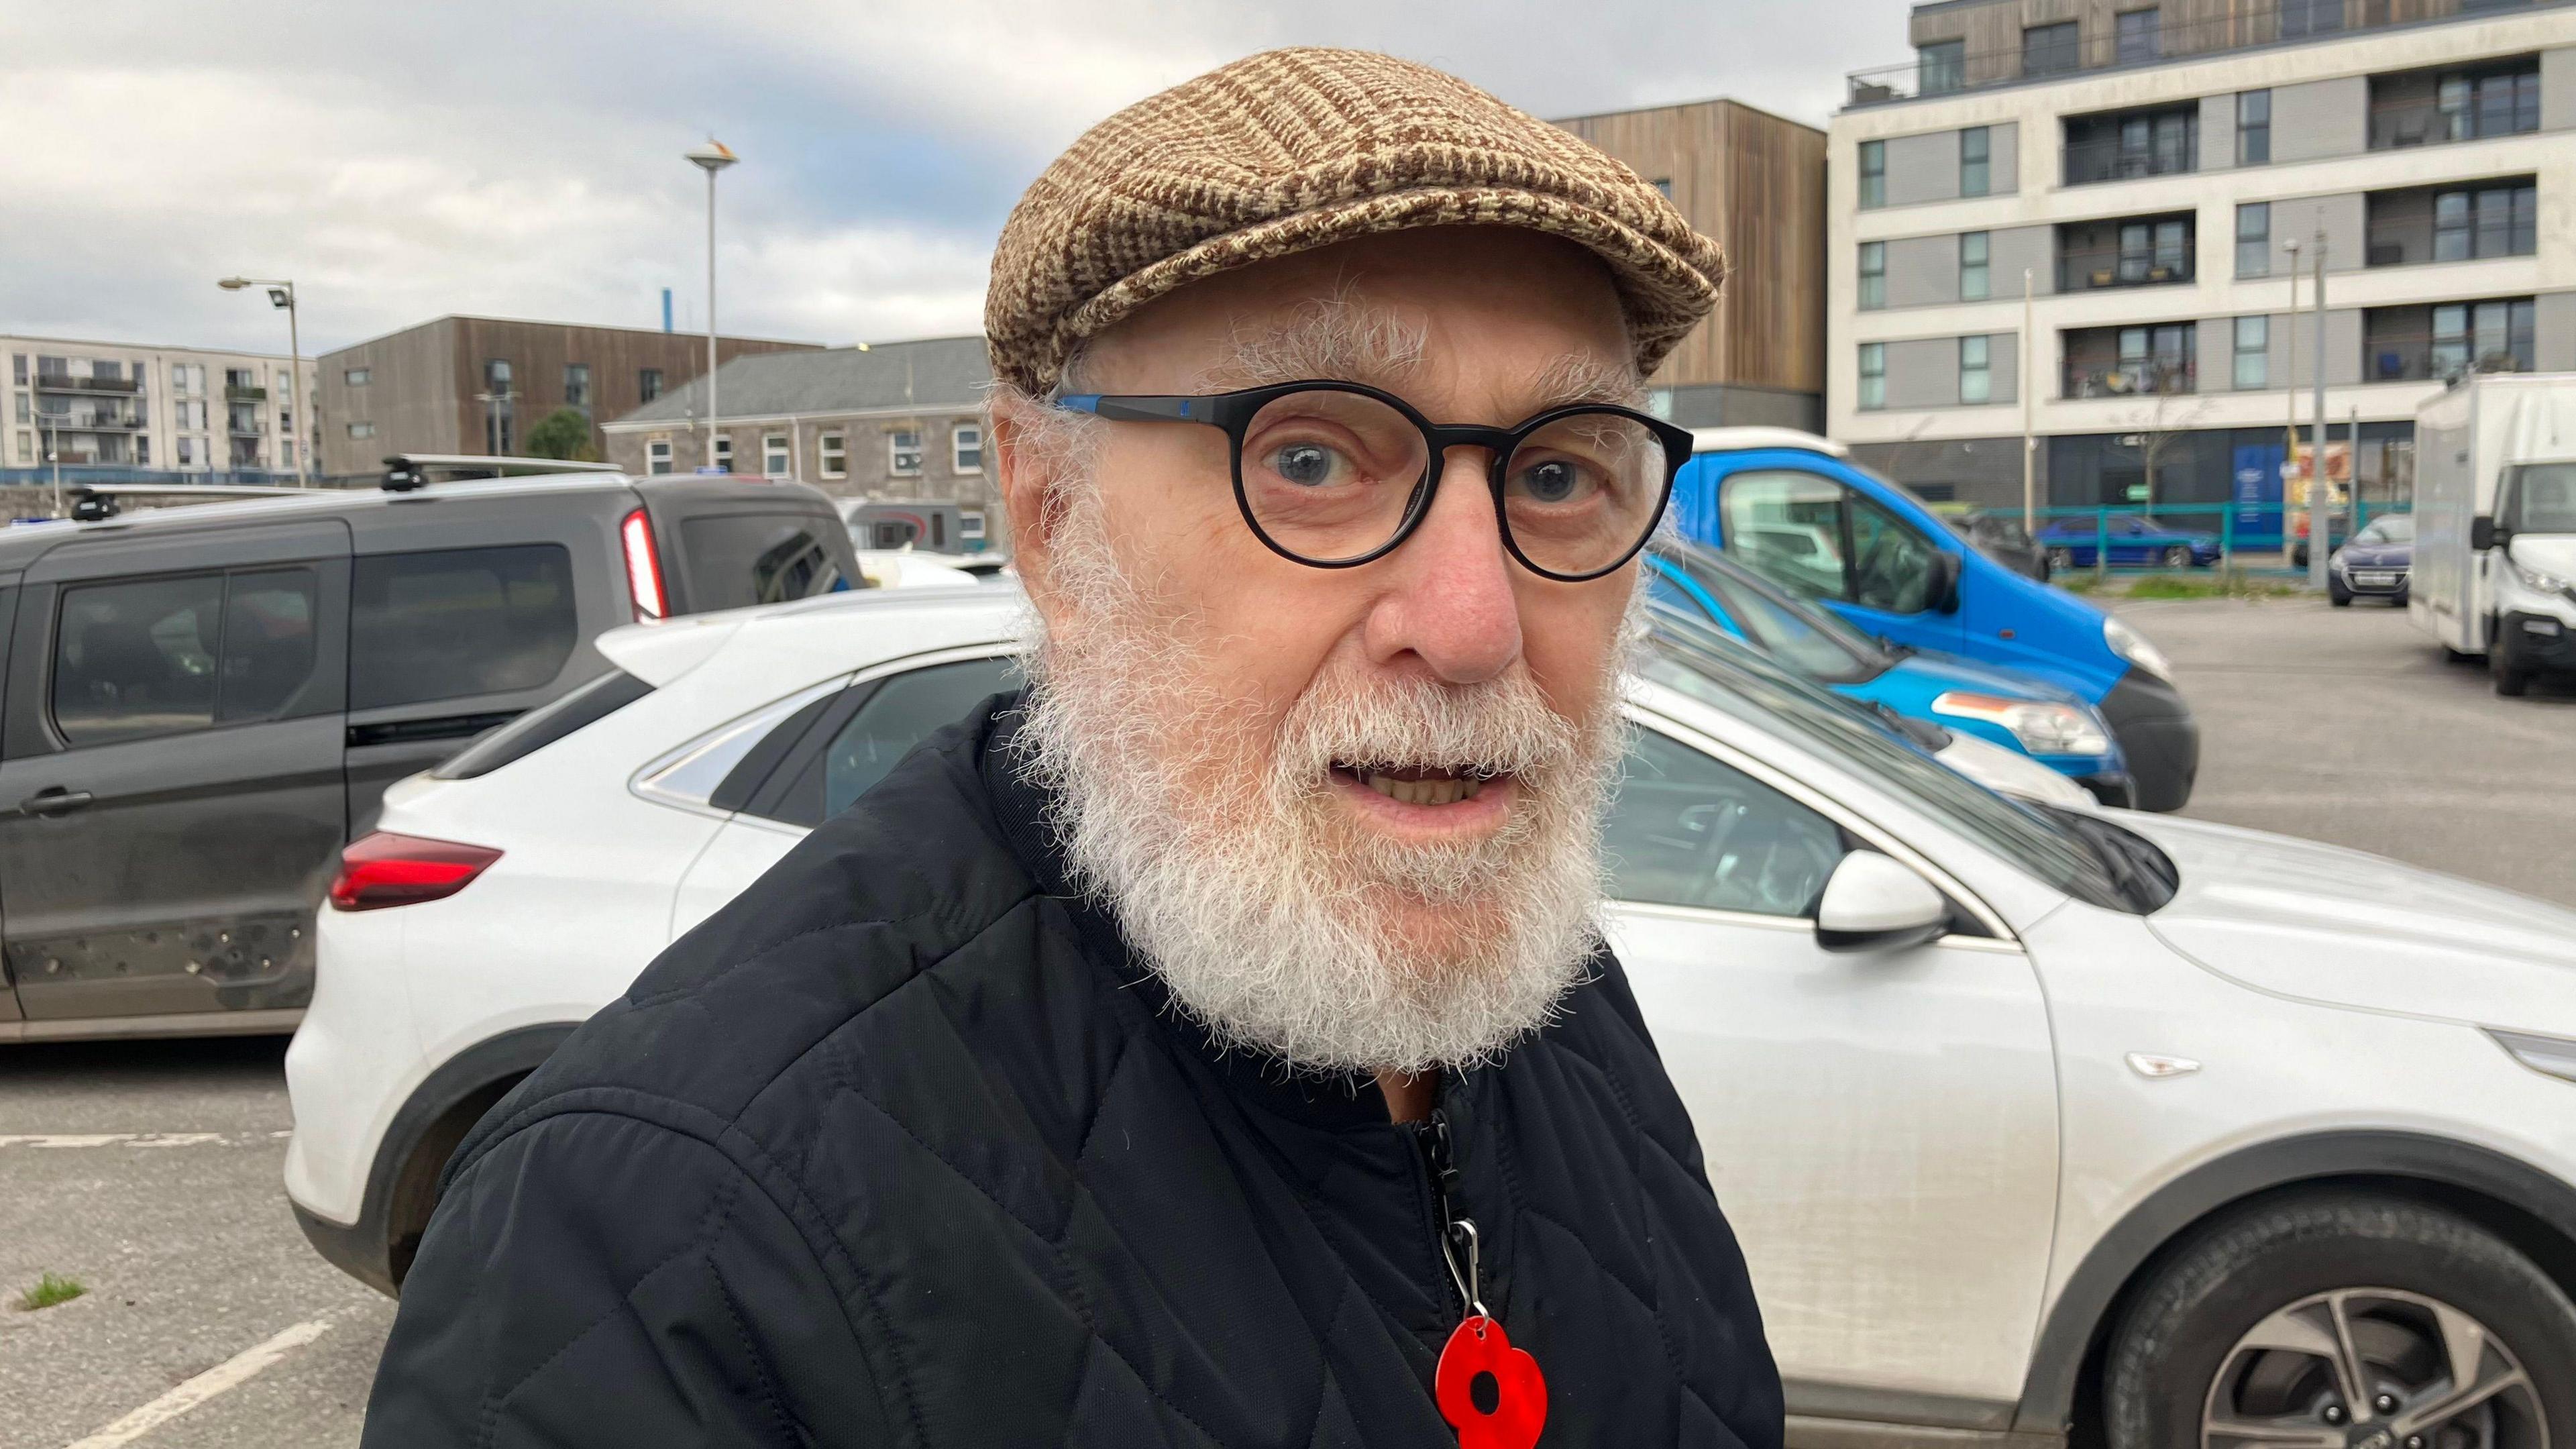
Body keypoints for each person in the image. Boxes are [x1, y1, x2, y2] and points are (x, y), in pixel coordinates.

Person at [364, 47, 1783, 1448]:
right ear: (1049, 517)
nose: (1477, 626)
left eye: (1555, 473)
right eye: (1311, 458)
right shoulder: (671, 1247)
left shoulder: (1534, 979)